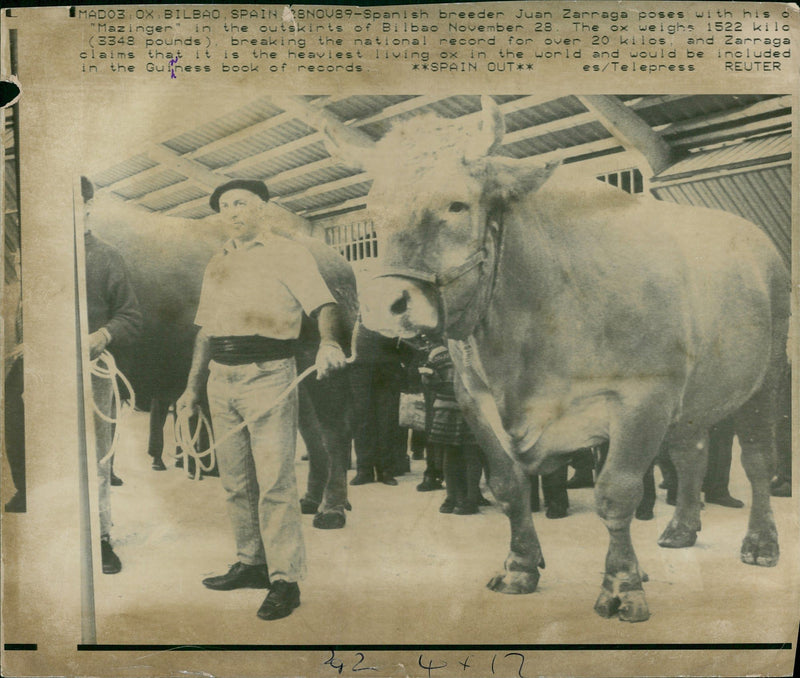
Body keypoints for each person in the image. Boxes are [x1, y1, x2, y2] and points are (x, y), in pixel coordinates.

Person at [176, 179, 346, 621]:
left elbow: (324, 305)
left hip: (270, 373)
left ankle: (285, 579)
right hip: (220, 377)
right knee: (235, 481)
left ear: (265, 209)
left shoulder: (288, 253)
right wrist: (192, 389)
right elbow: (206, 330)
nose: (234, 211)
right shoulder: (218, 262)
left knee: (274, 482)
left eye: (243, 203)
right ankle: (252, 562)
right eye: (226, 206)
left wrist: (329, 344)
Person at [82, 176, 143, 574]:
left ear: (87, 206)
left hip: (92, 374)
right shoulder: (31, 256)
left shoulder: (106, 257)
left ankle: (100, 538)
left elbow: (131, 317)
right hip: (41, 375)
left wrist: (102, 335)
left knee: (97, 458)